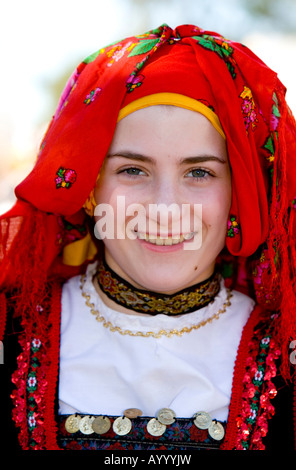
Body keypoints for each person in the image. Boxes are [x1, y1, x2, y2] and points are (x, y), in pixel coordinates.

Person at [1, 23, 296, 451]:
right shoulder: (13, 333)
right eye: (133, 170)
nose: (164, 208)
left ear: (239, 195)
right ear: (89, 187)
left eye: (199, 172)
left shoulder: (284, 357)